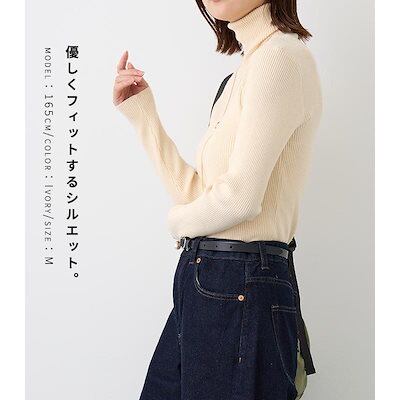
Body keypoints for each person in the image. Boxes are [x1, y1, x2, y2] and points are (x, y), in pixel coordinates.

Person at [113, 1, 322, 399]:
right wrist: (142, 115)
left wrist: (176, 223)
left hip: (240, 277)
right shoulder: (241, 75)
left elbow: (241, 200)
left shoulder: (281, 57)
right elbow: (204, 200)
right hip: (206, 276)